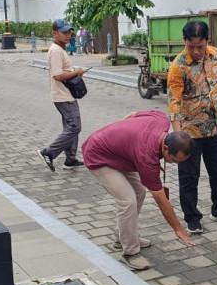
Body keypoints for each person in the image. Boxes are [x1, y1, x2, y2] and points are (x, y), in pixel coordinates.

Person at [82, 110, 195, 270]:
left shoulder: (161, 119)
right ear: (165, 147)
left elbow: (132, 115)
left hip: (124, 155)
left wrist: (122, 140)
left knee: (139, 193)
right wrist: (178, 228)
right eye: (173, 160)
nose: (174, 164)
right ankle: (130, 253)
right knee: (127, 201)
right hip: (99, 156)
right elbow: (161, 200)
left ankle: (123, 237)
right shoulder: (147, 156)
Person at [167, 20, 217, 234]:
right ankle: (191, 216)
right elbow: (174, 101)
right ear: (185, 42)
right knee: (189, 177)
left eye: (200, 46)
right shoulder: (178, 66)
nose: (196, 51)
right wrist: (178, 133)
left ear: (208, 40)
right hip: (190, 133)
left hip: (215, 128)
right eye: (191, 47)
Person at [37, 19, 88, 172]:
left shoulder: (60, 49)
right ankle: (48, 152)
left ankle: (70, 159)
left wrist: (75, 73)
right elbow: (57, 75)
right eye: (64, 32)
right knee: (74, 127)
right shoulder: (56, 51)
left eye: (69, 32)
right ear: (55, 33)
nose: (68, 35)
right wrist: (77, 72)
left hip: (66, 94)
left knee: (70, 126)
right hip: (62, 96)